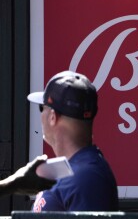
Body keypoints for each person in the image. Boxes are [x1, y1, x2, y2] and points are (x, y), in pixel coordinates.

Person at [27, 70, 118, 211]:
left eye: (42, 107)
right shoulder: (76, 168)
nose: (41, 115)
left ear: (52, 116)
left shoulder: (87, 176)